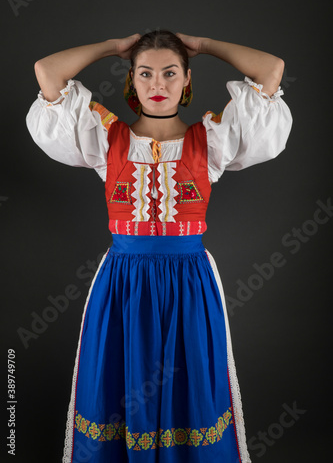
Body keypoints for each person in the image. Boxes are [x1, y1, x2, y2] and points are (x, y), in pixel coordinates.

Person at [26, 30, 292, 463]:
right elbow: (47, 73)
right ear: (131, 81)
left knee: (193, 387)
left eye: (170, 73)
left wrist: (203, 46)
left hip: (190, 284)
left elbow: (270, 71)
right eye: (145, 73)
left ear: (186, 81)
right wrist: (114, 47)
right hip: (122, 285)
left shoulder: (211, 141)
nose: (158, 84)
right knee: (118, 383)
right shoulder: (105, 139)